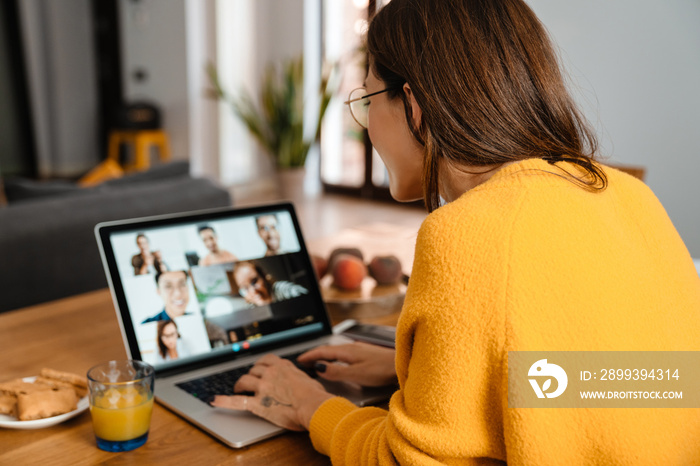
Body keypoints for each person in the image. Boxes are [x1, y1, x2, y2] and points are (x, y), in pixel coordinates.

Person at [211, 0, 700, 464]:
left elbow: (402, 462)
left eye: (367, 98)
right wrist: (424, 374)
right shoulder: (625, 192)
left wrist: (310, 404)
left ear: (413, 104)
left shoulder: (467, 234)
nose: (366, 127)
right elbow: (645, 385)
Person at [232, 261, 307, 307]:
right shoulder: (250, 309)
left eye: (254, 281)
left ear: (263, 276)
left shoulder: (281, 290)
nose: (253, 291)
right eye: (245, 288)